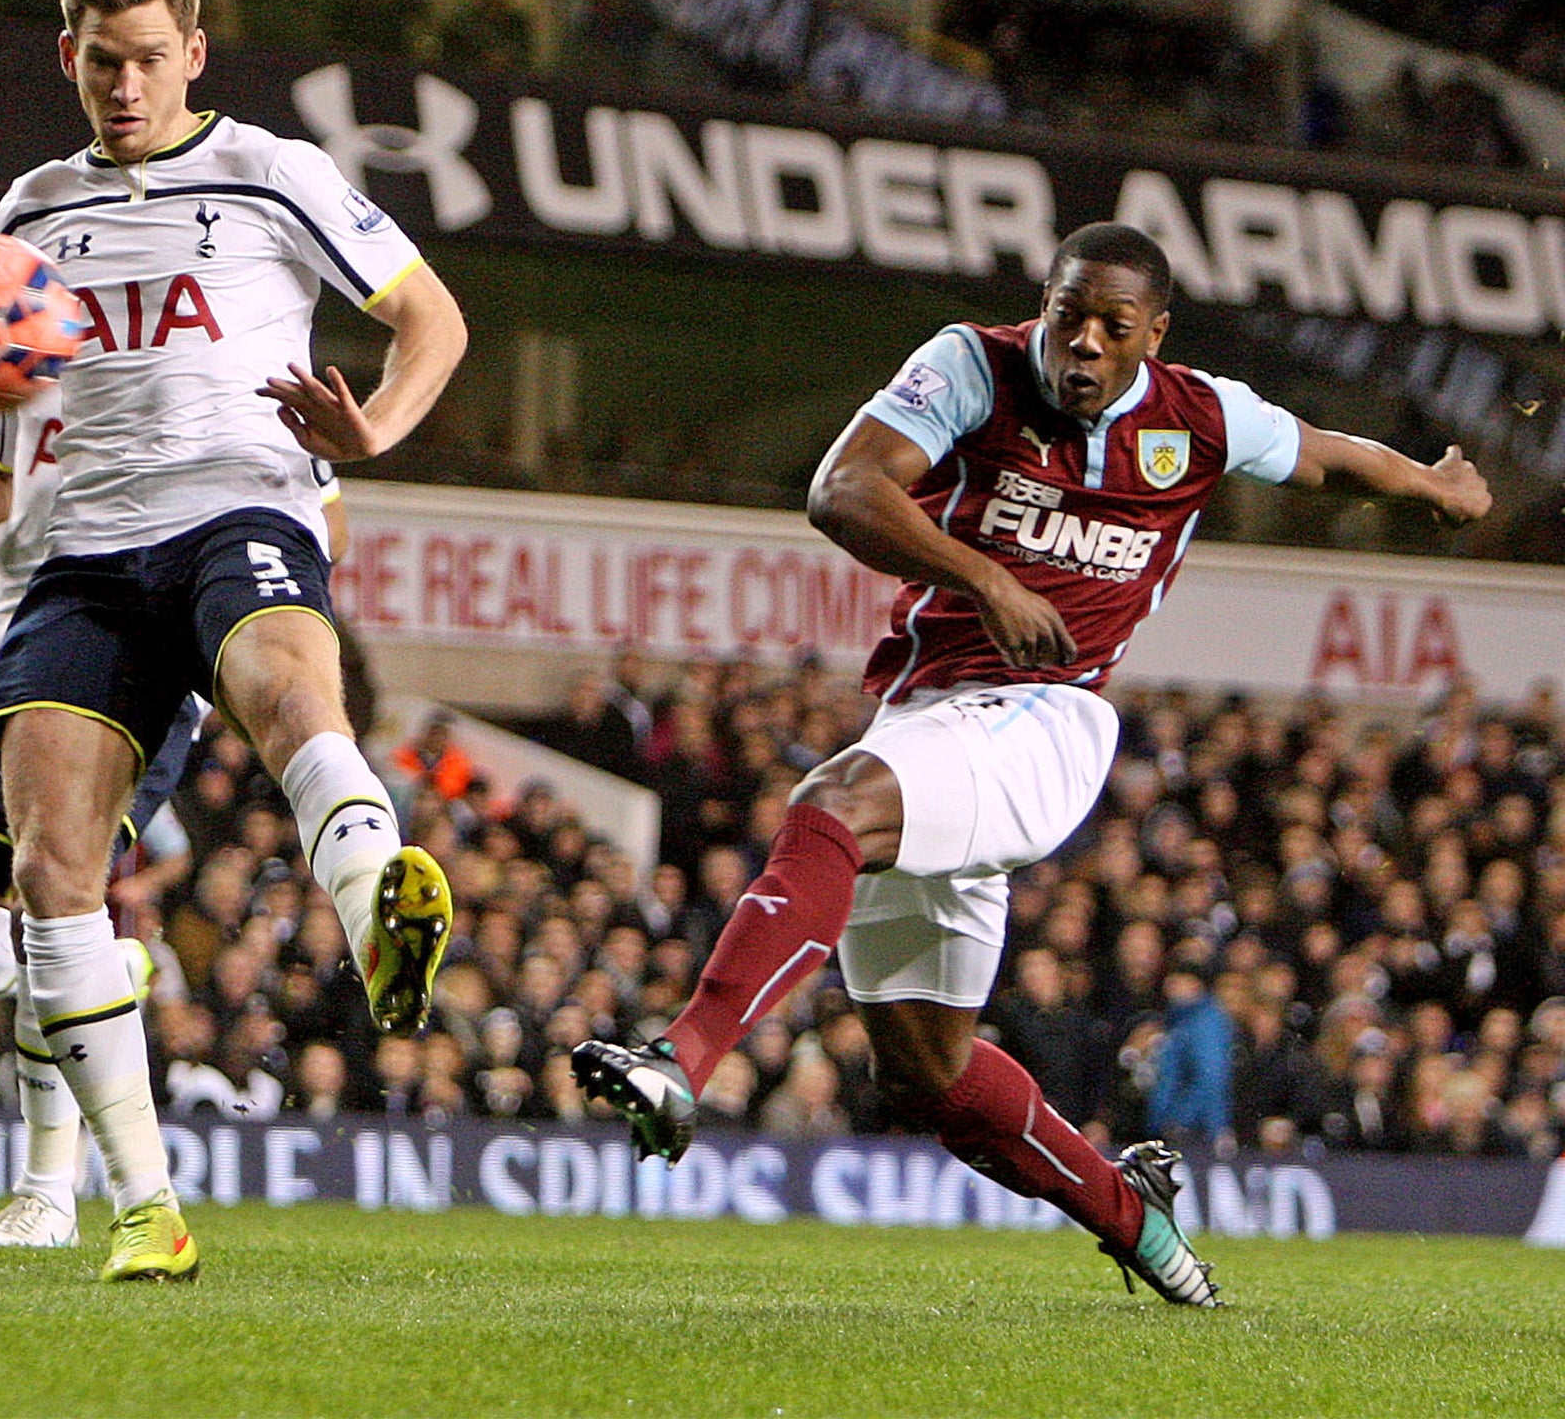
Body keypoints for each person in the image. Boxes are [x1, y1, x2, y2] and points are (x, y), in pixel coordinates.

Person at [573, 221, 1490, 1308]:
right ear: (1042, 310)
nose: (1085, 345)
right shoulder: (972, 363)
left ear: (1153, 334)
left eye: (1113, 326)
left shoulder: (1199, 415)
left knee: (832, 804)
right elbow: (844, 489)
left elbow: (1331, 457)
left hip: (1049, 721)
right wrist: (987, 581)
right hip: (929, 721)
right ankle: (1132, 1218)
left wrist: (1433, 488)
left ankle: (676, 1064)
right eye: (1069, 317)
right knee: (925, 1069)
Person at [0, 0, 466, 1282]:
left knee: (282, 679)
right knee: (48, 873)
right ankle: (145, 1207)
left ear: (194, 53)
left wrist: (374, 430)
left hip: (239, 500)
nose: (127, 84)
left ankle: (379, 894)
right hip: (78, 553)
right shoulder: (32, 209)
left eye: (150, 59)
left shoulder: (273, 174)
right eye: (104, 62)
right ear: (69, 60)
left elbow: (429, 319)